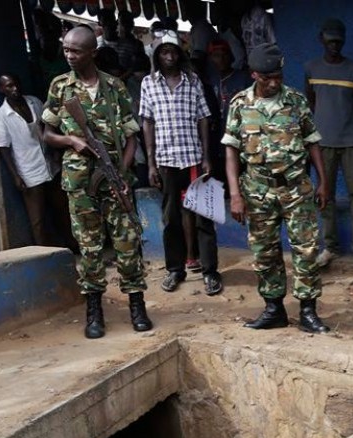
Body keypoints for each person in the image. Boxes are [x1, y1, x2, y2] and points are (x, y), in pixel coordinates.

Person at [42, 25, 152, 339]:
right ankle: (94, 311)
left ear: (92, 52)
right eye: (66, 49)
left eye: (75, 51)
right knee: (89, 248)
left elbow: (132, 136)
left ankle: (137, 304)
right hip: (79, 182)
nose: (69, 56)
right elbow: (46, 133)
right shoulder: (60, 86)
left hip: (115, 180)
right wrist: (71, 141)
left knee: (128, 244)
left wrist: (123, 173)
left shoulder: (114, 87)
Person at [223, 43, 332, 334]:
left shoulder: (295, 101)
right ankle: (274, 309)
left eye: (278, 76)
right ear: (254, 74)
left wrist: (323, 182)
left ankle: (308, 311)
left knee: (306, 250)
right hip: (257, 191)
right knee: (265, 252)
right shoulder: (239, 105)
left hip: (296, 189)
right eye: (267, 77)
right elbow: (231, 152)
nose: (274, 83)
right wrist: (235, 194)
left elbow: (312, 141)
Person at [140, 32, 222, 296]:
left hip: (194, 158)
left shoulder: (193, 81)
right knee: (170, 217)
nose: (169, 57)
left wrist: (207, 156)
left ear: (181, 54)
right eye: (164, 52)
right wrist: (151, 164)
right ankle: (175, 269)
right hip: (165, 161)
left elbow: (203, 119)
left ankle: (210, 272)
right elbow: (147, 123)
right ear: (157, 55)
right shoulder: (148, 84)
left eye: (174, 52)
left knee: (204, 217)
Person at [304, 18, 353, 269]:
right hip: (323, 142)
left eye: (339, 41)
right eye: (330, 41)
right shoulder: (311, 69)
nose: (335, 45)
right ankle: (330, 247)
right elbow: (312, 102)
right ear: (322, 39)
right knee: (325, 195)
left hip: (351, 140)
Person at [0, 73, 60, 247]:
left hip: (50, 164)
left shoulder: (34, 102)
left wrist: (55, 151)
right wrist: (16, 176)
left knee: (62, 209)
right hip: (29, 170)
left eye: (16, 84)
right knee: (37, 219)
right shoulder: (1, 116)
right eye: (9, 86)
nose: (15, 89)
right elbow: (3, 148)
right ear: (1, 89)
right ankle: (43, 255)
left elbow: (48, 127)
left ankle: (72, 246)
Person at [204, 39, 250, 186]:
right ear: (211, 59)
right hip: (216, 138)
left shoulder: (243, 78)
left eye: (225, 55)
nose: (221, 59)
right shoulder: (210, 81)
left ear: (231, 57)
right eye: (216, 55)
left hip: (240, 136)